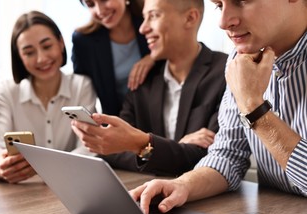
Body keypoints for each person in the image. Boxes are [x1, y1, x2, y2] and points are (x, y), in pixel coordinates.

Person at [129, 0, 307, 214]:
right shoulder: (239, 59)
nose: (223, 22)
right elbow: (229, 153)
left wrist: (254, 108)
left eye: (240, 1)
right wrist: (183, 185)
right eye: (218, 5)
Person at [71, 0, 227, 176]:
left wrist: (141, 146)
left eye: (153, 16)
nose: (142, 28)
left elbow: (216, 156)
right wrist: (178, 147)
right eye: (144, 17)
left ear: (190, 18)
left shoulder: (225, 73)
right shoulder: (141, 80)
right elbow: (113, 151)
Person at [0, 11, 96, 184]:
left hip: (71, 185)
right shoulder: (6, 90)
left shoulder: (81, 86)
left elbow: (89, 146)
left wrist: (48, 167)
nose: (41, 58)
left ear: (60, 43)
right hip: (21, 191)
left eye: (47, 46)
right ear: (19, 57)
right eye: (29, 52)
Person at [72, 0, 156, 115]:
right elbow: (81, 90)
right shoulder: (83, 42)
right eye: (91, 4)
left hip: (161, 115)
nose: (100, 11)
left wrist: (154, 57)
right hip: (119, 123)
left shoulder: (153, 20)